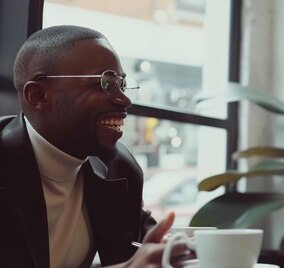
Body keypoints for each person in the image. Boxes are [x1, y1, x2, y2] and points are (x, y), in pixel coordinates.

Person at [0, 25, 185, 267]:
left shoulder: (120, 169)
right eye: (106, 82)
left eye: (122, 84)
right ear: (39, 96)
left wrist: (181, 250)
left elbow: (144, 247)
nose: (124, 99)